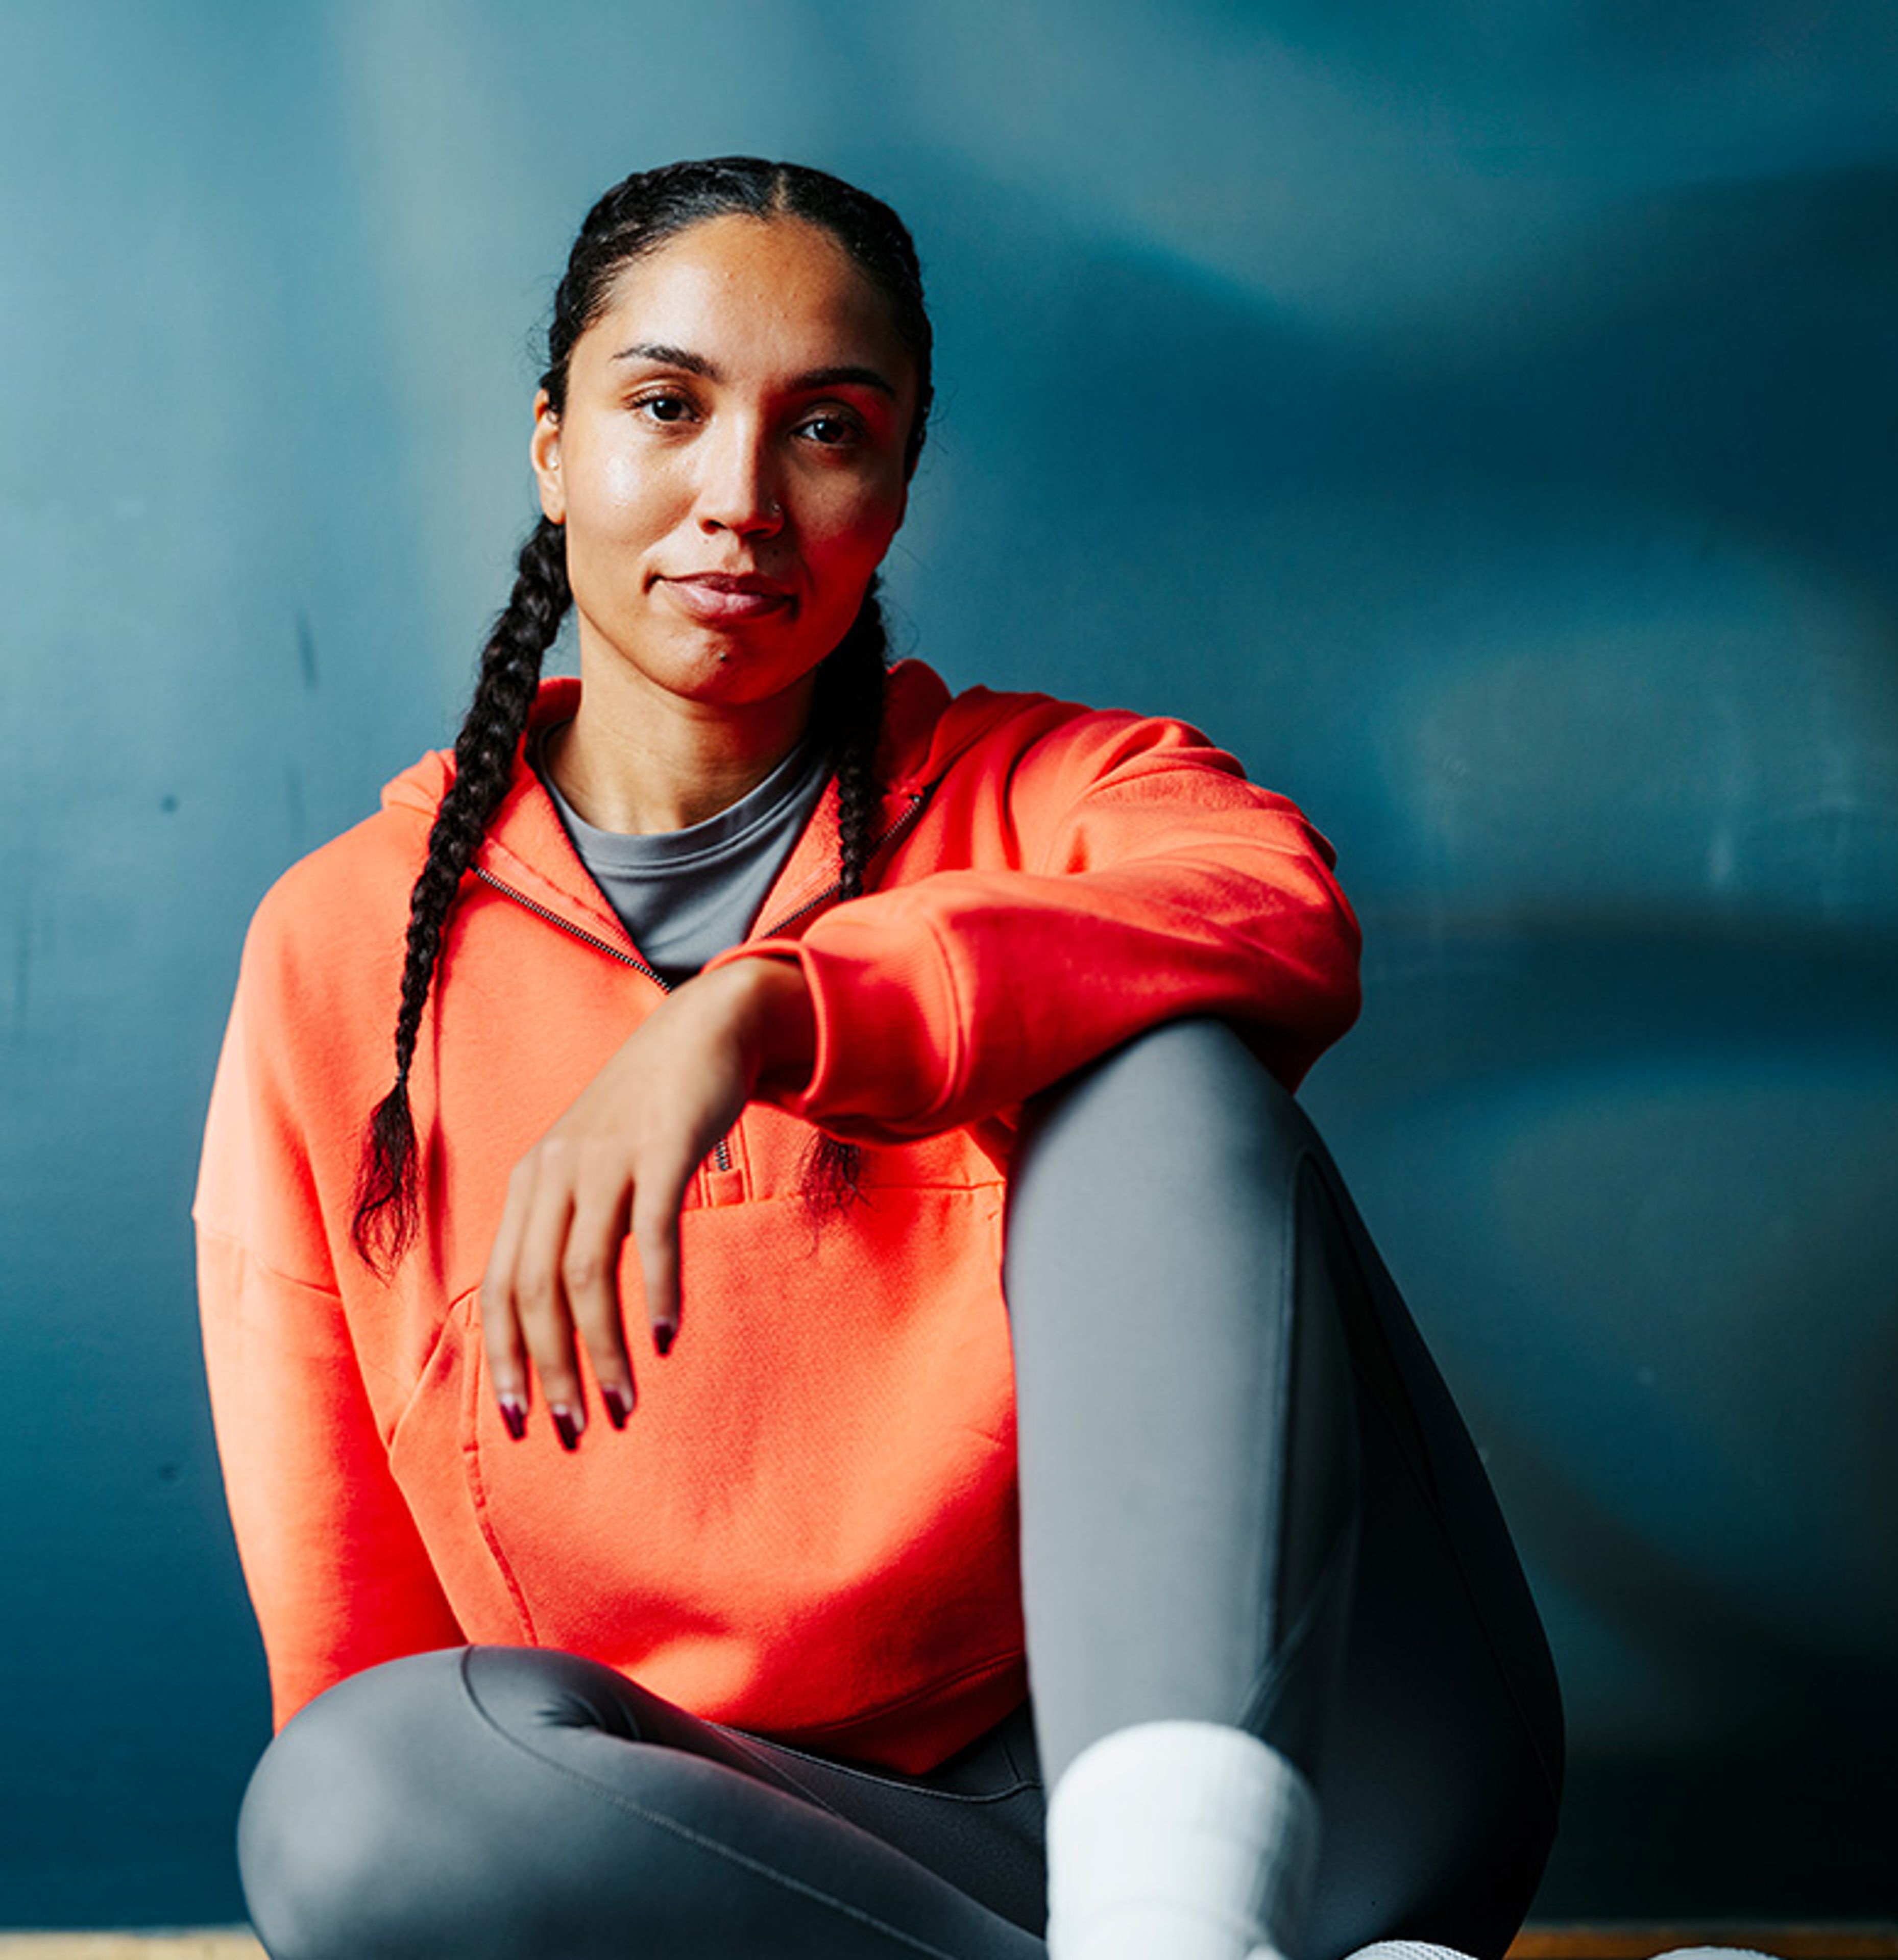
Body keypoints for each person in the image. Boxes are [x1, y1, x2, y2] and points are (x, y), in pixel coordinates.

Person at [194, 158, 1563, 1960]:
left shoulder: (1066, 791)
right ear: (550, 444)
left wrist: (768, 1011)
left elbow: (1274, 915)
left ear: (900, 484)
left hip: (1315, 1783)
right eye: (667, 408)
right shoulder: (338, 951)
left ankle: (1179, 1919)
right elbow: (358, 1629)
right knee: (352, 1795)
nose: (740, 501)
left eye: (826, 430)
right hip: (784, 1860)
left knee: (1156, 1054)